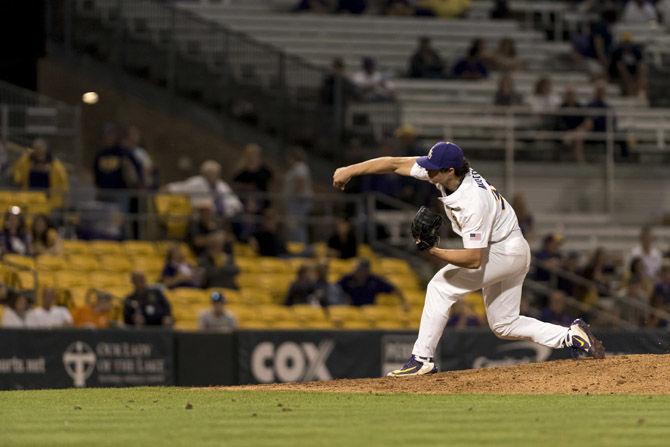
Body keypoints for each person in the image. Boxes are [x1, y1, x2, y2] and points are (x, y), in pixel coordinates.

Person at [332, 140, 604, 376]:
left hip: (504, 251)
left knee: (440, 286)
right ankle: (571, 336)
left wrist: (433, 251)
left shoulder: (473, 200)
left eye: (433, 167)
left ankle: (422, 359)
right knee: (504, 324)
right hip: (511, 248)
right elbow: (393, 164)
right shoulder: (445, 173)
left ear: (450, 170)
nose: (427, 169)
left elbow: (475, 259)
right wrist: (349, 170)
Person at [166, 160, 243, 221]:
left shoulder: (222, 185)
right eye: (211, 173)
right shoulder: (197, 182)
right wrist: (167, 189)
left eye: (216, 173)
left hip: (224, 217)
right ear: (204, 173)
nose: (214, 176)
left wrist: (233, 209)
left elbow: (234, 201)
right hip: (202, 218)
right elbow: (178, 187)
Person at [11, 138, 69, 206]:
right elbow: (17, 171)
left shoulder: (54, 164)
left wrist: (63, 193)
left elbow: (63, 179)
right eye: (36, 148)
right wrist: (17, 179)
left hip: (48, 197)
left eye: (40, 148)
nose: (38, 150)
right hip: (29, 196)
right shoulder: (26, 160)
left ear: (45, 149)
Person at [337, 259, 407, 308]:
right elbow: (335, 289)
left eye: (363, 269)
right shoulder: (347, 278)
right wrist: (343, 299)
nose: (360, 272)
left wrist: (403, 303)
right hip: (351, 310)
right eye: (358, 269)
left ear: (367, 271)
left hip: (369, 310)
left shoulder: (374, 280)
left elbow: (394, 289)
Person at [282, 148, 314, 243]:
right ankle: (297, 243)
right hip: (296, 201)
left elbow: (301, 182)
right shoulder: (297, 168)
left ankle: (299, 245)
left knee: (297, 224)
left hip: (298, 202)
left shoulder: (300, 167)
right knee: (294, 225)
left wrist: (295, 195)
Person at [232, 143, 273, 213]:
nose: (254, 157)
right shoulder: (242, 170)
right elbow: (235, 184)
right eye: (252, 154)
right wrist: (247, 187)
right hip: (244, 199)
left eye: (256, 154)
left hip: (261, 200)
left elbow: (270, 183)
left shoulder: (265, 170)